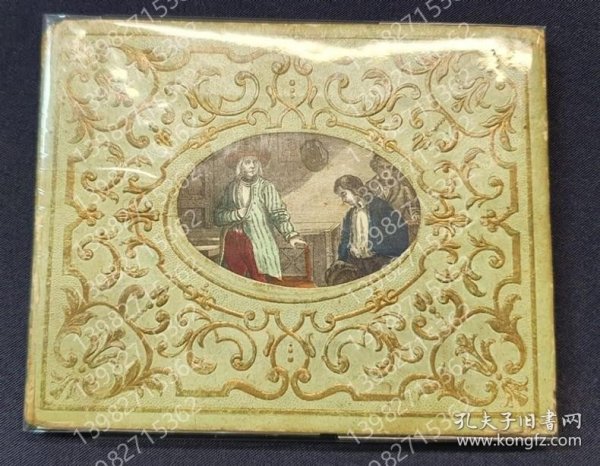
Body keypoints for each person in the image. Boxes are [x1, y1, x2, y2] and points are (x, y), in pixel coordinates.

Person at [214, 152, 306, 283]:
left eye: (255, 162)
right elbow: (218, 217)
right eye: (248, 162)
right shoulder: (232, 187)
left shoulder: (266, 187)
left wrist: (291, 235)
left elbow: (278, 213)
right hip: (232, 240)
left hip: (258, 241)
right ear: (240, 165)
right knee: (234, 282)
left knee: (260, 280)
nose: (252, 166)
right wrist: (237, 214)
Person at [327, 175, 409, 284]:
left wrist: (382, 251)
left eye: (344, 194)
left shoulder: (380, 206)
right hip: (357, 264)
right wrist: (341, 258)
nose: (343, 200)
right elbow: (345, 239)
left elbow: (401, 232)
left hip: (378, 262)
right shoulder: (350, 214)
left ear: (354, 189)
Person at [366, 155, 420, 244]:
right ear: (375, 168)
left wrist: (415, 216)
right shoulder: (368, 188)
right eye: (381, 167)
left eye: (388, 167)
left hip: (402, 230)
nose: (385, 171)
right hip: (379, 234)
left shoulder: (403, 185)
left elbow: (414, 207)